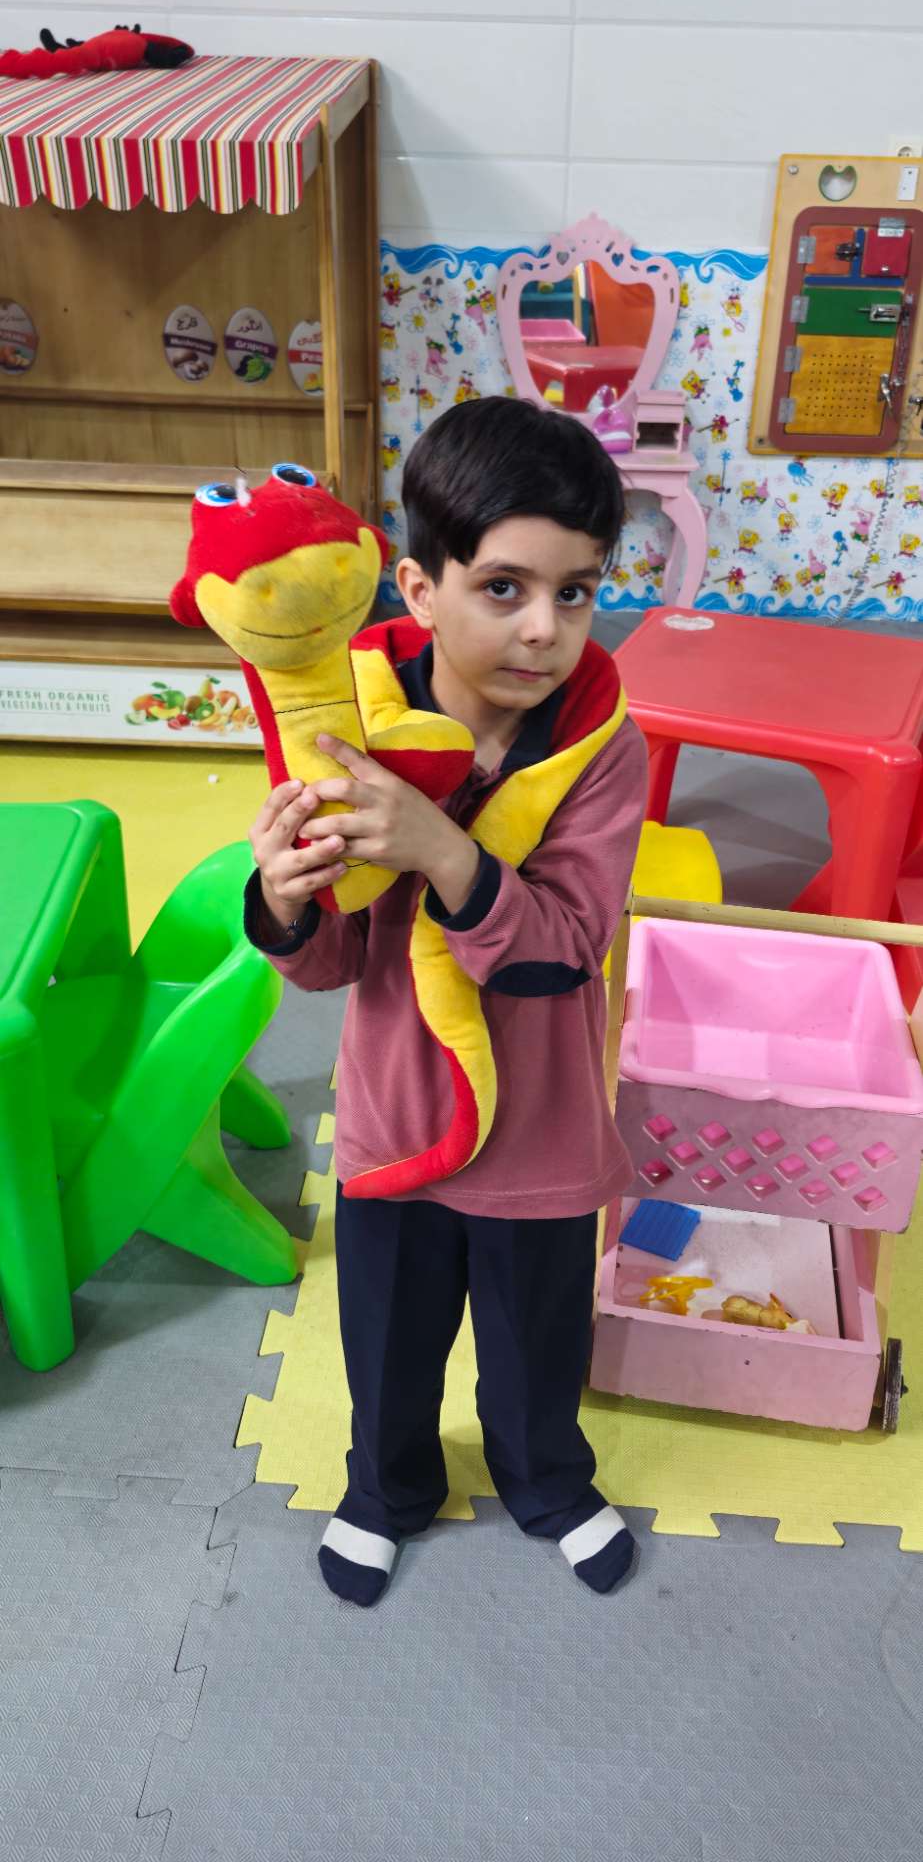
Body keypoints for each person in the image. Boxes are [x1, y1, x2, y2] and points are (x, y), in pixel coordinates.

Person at [245, 396, 648, 1608]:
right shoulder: (349, 725)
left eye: (575, 591)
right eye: (503, 587)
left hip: (538, 1129)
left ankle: (546, 1480)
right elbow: (329, 963)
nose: (542, 628)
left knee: (537, 1345)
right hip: (395, 1119)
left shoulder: (599, 747)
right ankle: (384, 1488)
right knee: (386, 1342)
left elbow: (564, 947)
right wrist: (284, 899)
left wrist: (439, 847)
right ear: (419, 589)